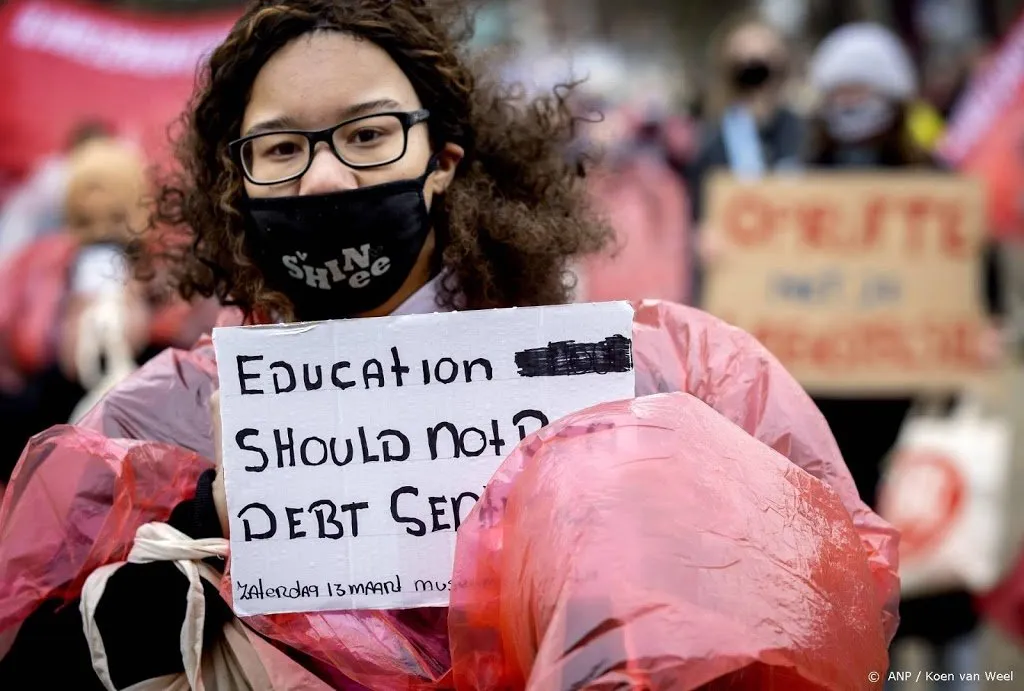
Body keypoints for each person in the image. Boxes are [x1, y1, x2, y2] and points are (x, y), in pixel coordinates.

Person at [0, 1, 898, 687]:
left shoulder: (646, 374)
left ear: (444, 162)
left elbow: (819, 595)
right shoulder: (162, 423)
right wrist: (196, 545)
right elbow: (35, 648)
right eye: (278, 150)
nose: (322, 175)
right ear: (239, 184)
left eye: (367, 134)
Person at [805, 23, 1001, 691]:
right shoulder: (794, 191)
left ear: (892, 97)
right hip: (831, 418)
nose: (850, 102)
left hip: (921, 410)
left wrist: (982, 330)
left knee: (934, 559)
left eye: (863, 89)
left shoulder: (938, 187)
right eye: (839, 90)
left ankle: (961, 675)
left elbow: (981, 285)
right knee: (858, 578)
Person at [686, 11, 805, 304]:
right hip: (737, 283)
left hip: (797, 281)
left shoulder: (806, 133)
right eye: (745, 62)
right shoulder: (710, 139)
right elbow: (695, 210)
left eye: (764, 60)